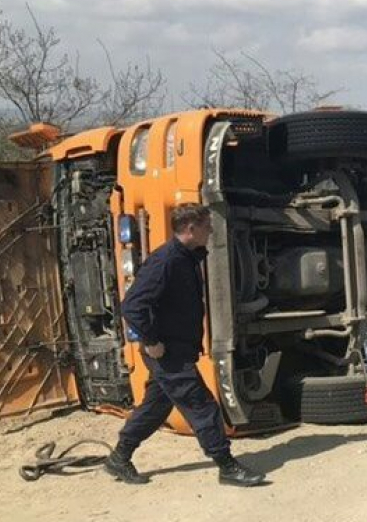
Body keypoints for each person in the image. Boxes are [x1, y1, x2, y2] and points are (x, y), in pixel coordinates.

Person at [104, 203, 265, 487]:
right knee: (202, 405)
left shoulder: (186, 258)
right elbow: (132, 305)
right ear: (191, 229)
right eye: (206, 226)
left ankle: (119, 457)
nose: (211, 230)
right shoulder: (165, 261)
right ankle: (226, 465)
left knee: (155, 407)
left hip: (176, 351)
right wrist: (151, 341)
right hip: (167, 353)